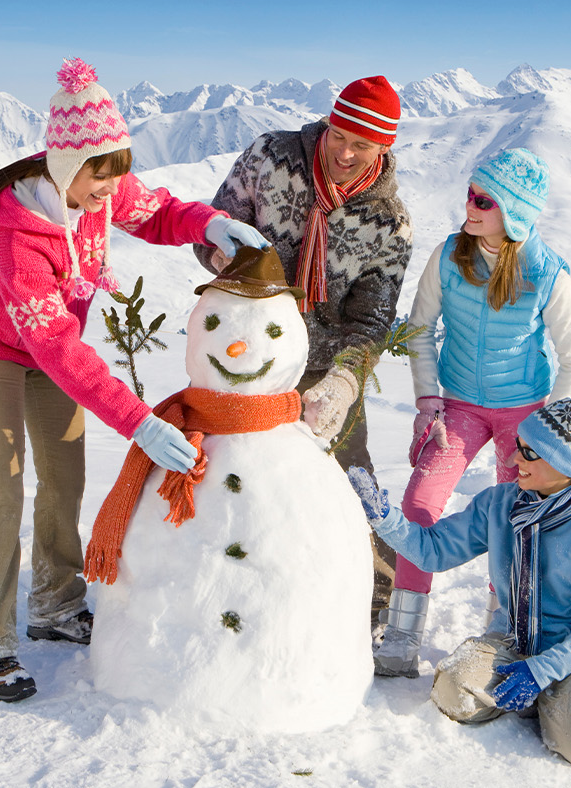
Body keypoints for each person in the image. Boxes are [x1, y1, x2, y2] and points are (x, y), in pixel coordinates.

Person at [0, 58, 268, 702]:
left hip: (46, 347)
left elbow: (156, 211)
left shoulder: (100, 187)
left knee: (64, 474)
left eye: (116, 174)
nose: (110, 190)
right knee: (3, 481)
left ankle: (56, 604)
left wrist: (206, 224)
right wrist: (141, 424)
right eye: (101, 176)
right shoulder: (16, 232)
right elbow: (57, 346)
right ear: (68, 167)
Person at [347, 391, 571, 770]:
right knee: (452, 691)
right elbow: (434, 551)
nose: (511, 458)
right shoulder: (498, 504)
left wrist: (542, 671)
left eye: (528, 452)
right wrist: (385, 518)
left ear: (563, 462)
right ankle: (551, 703)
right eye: (518, 446)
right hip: (512, 641)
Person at [194, 76, 414, 631]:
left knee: (351, 472)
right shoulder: (271, 156)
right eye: (340, 135)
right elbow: (210, 228)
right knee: (231, 473)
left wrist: (344, 381)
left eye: (361, 145)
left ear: (382, 149)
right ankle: (221, 582)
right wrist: (227, 259)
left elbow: (372, 317)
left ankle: (375, 594)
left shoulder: (389, 224)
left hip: (321, 363)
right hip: (246, 357)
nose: (344, 151)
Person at [374, 148, 571, 677]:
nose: (469, 206)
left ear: (512, 214)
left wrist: (547, 436)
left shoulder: (547, 273)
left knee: (516, 518)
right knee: (420, 502)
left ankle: (502, 628)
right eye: (470, 193)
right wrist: (428, 401)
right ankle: (403, 632)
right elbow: (420, 328)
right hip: (460, 406)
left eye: (483, 200)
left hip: (524, 415)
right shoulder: (450, 255)